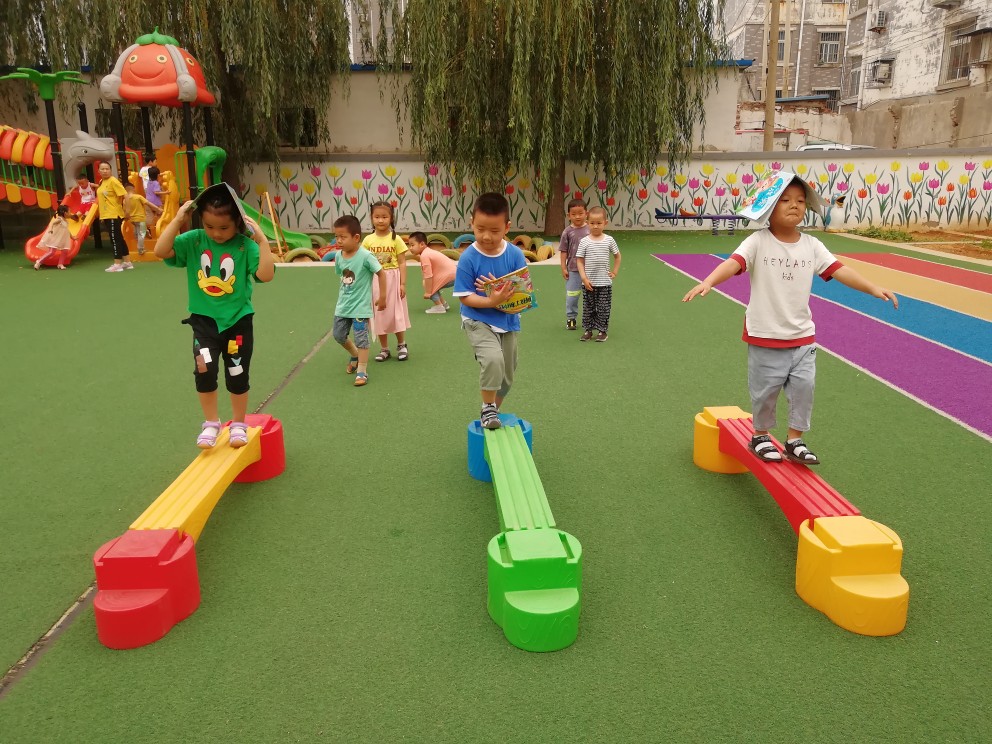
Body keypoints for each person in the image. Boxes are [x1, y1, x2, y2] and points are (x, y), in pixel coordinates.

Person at [682, 176, 898, 465]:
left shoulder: (812, 245)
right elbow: (734, 263)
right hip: (765, 335)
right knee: (765, 391)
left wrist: (872, 287)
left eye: (800, 201)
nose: (794, 205)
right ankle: (760, 435)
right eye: (785, 200)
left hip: (802, 336)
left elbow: (839, 269)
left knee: (804, 389)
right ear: (769, 207)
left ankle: (795, 440)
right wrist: (708, 281)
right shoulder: (758, 241)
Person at [154, 188, 276, 449]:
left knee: (237, 372)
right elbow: (161, 251)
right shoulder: (195, 240)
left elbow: (266, 275)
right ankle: (211, 423)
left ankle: (238, 423)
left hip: (237, 324)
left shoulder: (245, 246)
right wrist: (178, 219)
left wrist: (263, 242)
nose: (216, 233)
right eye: (209, 226)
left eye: (224, 227)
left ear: (238, 222)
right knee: (205, 371)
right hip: (204, 324)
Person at [453, 192, 526, 430]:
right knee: (493, 360)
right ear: (471, 223)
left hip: (508, 320)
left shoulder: (515, 255)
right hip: (477, 319)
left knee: (507, 375)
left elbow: (523, 294)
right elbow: (465, 296)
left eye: (494, 231)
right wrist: (492, 300)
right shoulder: (468, 258)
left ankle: (494, 408)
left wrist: (509, 298)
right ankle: (488, 408)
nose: (486, 236)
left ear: (507, 227)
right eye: (480, 229)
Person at [332, 215, 387, 386]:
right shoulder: (338, 256)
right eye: (336, 236)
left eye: (343, 237)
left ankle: (362, 370)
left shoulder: (366, 256)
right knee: (338, 335)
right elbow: (342, 277)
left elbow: (381, 273)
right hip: (343, 306)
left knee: (361, 338)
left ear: (356, 237)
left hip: (360, 308)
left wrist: (383, 296)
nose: (339, 240)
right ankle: (354, 354)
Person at [362, 201, 411, 360]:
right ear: (371, 218)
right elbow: (363, 262)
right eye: (377, 217)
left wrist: (402, 283)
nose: (380, 220)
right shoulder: (368, 240)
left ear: (391, 218)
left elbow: (402, 262)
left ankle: (402, 345)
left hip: (393, 280)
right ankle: (384, 349)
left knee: (396, 314)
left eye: (384, 217)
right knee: (379, 314)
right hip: (375, 281)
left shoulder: (396, 239)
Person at [576, 206, 621, 342]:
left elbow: (617, 256)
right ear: (587, 223)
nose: (595, 226)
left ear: (605, 223)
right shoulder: (584, 241)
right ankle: (588, 331)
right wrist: (584, 278)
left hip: (605, 283)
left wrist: (614, 271)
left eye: (599, 223)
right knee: (588, 307)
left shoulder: (609, 240)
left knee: (603, 308)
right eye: (592, 223)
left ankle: (602, 331)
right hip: (588, 283)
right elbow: (579, 260)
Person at [406, 231, 457, 314]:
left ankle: (439, 307)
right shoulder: (428, 252)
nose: (410, 248)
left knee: (427, 284)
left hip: (450, 276)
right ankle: (444, 304)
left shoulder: (425, 255)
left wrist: (428, 292)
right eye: (409, 245)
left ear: (422, 244)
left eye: (412, 245)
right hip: (454, 275)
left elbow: (428, 276)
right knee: (432, 284)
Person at [558, 198, 589, 330]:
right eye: (574, 214)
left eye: (580, 213)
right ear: (568, 215)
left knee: (590, 296)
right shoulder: (567, 232)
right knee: (572, 295)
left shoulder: (591, 229)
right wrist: (563, 267)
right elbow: (563, 251)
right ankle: (571, 318)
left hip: (590, 270)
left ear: (586, 213)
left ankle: (589, 320)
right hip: (574, 269)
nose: (577, 216)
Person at [95, 161, 130, 272]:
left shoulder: (113, 181)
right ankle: (127, 262)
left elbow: (125, 195)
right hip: (107, 215)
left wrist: (127, 211)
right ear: (98, 171)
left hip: (114, 214)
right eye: (102, 169)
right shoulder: (101, 182)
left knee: (115, 239)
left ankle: (117, 264)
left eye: (107, 169)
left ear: (111, 170)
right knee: (119, 238)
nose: (105, 171)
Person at [125, 182, 162, 255]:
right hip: (140, 218)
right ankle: (141, 249)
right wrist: (158, 209)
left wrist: (126, 218)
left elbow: (125, 210)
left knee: (137, 232)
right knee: (141, 234)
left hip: (132, 219)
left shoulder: (125, 200)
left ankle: (146, 232)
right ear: (133, 189)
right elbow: (148, 203)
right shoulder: (138, 197)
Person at [34, 205, 72, 270]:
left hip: (62, 238)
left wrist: (72, 237)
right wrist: (51, 229)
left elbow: (66, 230)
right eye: (69, 212)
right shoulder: (59, 219)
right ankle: (39, 262)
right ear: (65, 213)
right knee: (51, 252)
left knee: (65, 250)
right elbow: (52, 223)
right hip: (54, 238)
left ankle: (60, 264)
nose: (70, 213)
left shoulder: (65, 220)